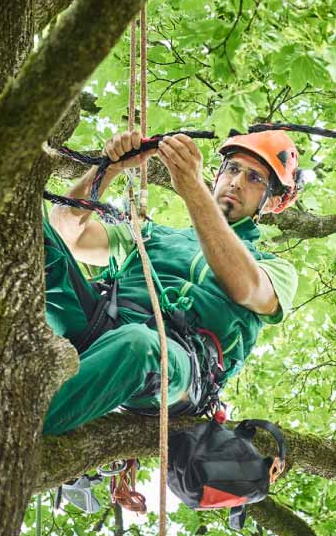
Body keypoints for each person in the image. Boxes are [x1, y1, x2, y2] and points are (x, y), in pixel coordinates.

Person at [43, 130, 301, 435]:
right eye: (232, 169)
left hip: (177, 363)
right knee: (36, 235)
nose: (237, 182)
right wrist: (107, 167)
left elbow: (245, 286)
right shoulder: (152, 235)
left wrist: (191, 188)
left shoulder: (272, 268)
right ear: (218, 175)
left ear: (273, 202)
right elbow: (66, 234)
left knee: (139, 344)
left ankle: (5, 438)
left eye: (255, 178)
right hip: (103, 319)